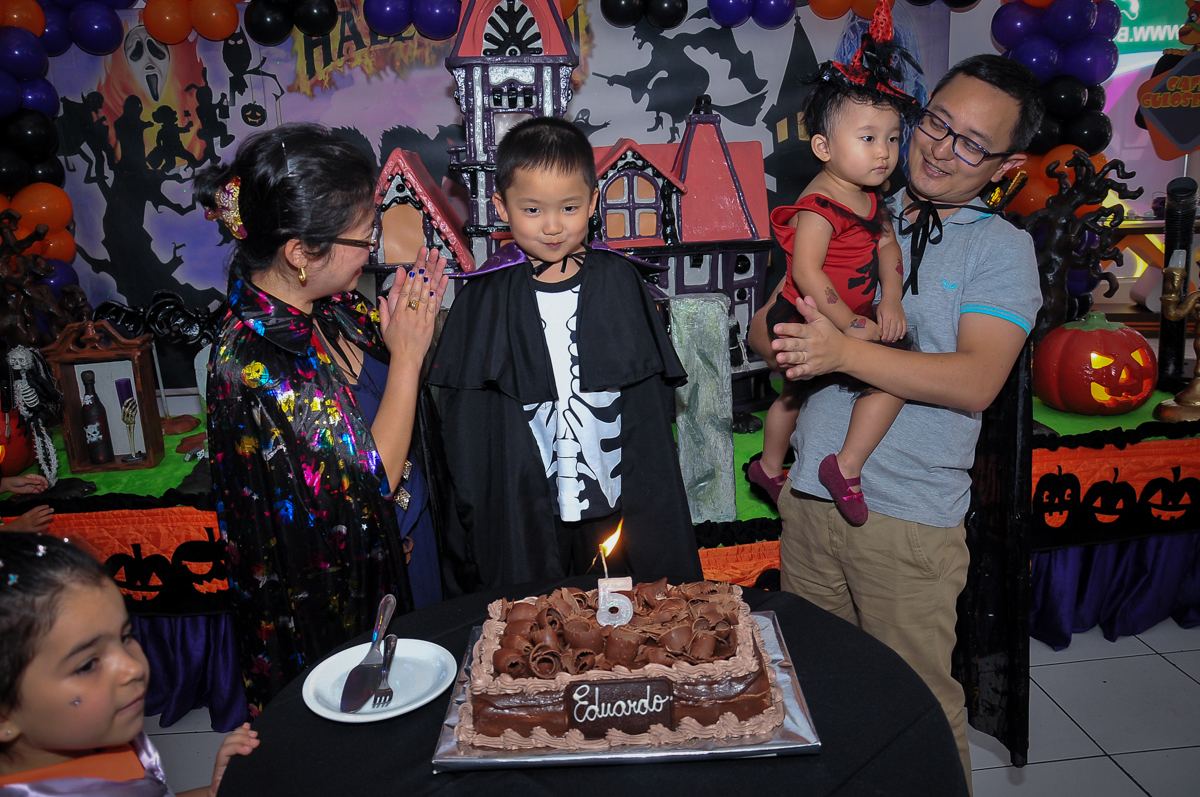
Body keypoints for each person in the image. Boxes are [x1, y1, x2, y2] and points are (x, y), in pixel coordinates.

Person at [749, 54, 1044, 789]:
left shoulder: (1001, 249)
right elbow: (766, 331)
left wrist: (843, 347)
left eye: (973, 142)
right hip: (812, 508)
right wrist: (788, 332)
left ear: (1007, 165)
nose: (941, 147)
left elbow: (976, 379)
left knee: (917, 706)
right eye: (937, 122)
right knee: (814, 690)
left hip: (908, 522)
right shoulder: (856, 205)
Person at [199, 123, 449, 714]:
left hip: (412, 559)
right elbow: (370, 484)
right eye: (365, 238)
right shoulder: (257, 363)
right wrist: (409, 359)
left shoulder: (331, 307)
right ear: (300, 252)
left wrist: (407, 334)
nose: (375, 250)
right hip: (346, 607)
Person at [430, 116, 702, 592]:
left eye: (570, 207)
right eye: (532, 210)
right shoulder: (483, 296)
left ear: (593, 203)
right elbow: (468, 425)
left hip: (616, 503)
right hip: (527, 505)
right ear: (501, 207)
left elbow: (650, 415)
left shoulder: (620, 282)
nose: (553, 227)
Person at [748, 0, 912, 526]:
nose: (883, 152)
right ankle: (779, 466)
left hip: (849, 315)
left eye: (891, 138)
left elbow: (889, 248)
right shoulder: (818, 206)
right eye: (867, 139)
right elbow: (806, 273)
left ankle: (833, 465)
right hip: (807, 314)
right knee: (799, 393)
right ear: (822, 146)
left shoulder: (872, 197)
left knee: (890, 372)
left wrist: (889, 302)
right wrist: (848, 327)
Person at [0, 533, 258, 796]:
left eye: (126, 637)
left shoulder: (100, 732)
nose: (133, 667)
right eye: (87, 665)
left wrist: (213, 791)